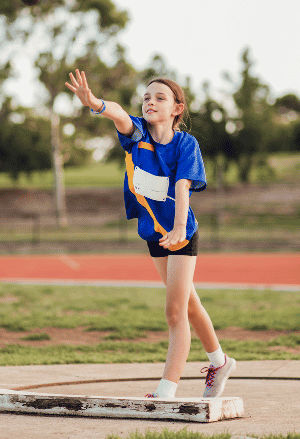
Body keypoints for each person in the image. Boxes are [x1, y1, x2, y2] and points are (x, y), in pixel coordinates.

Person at [65, 69, 236, 399]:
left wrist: (178, 227)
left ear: (176, 109)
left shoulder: (186, 144)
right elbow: (118, 114)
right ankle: (221, 362)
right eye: (146, 98)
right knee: (189, 305)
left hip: (181, 232)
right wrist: (95, 103)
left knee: (174, 312)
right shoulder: (137, 135)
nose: (150, 102)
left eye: (160, 98)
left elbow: (183, 187)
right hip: (153, 233)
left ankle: (166, 391)